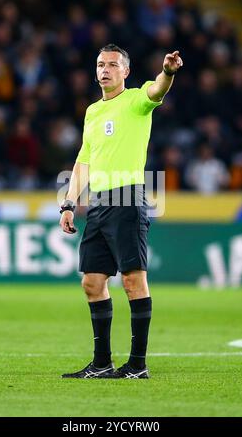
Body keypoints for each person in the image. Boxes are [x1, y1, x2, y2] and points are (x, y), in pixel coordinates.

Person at [59, 43, 183, 379]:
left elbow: (158, 89)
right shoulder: (92, 112)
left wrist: (168, 72)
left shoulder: (136, 101)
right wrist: (69, 203)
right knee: (92, 282)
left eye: (113, 64)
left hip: (128, 199)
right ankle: (102, 363)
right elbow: (84, 160)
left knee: (132, 281)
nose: (105, 70)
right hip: (97, 204)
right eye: (100, 64)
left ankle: (137, 365)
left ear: (125, 72)